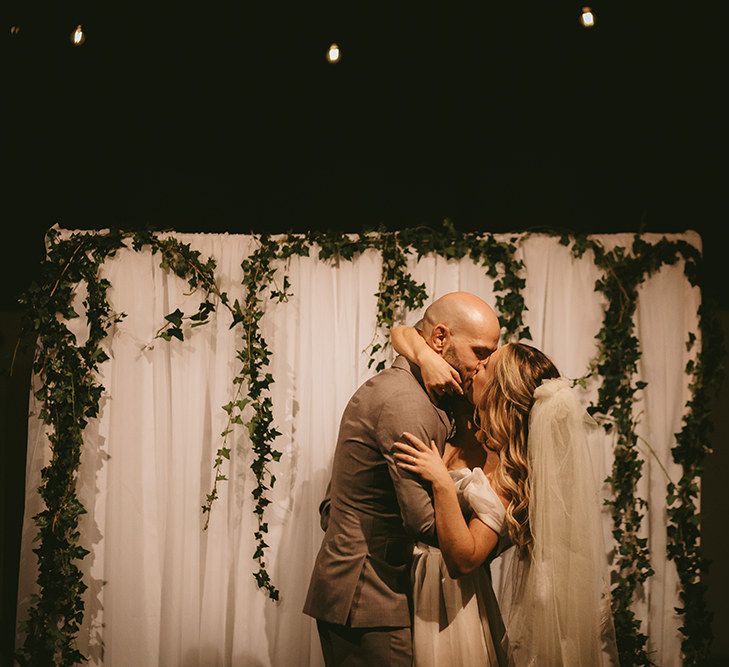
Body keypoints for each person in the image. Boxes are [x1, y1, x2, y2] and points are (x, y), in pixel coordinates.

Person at [392, 337, 618, 666]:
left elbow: (464, 561)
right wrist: (426, 356)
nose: (475, 367)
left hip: (450, 604)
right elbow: (402, 332)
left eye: (486, 367)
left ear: (500, 393)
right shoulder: (471, 426)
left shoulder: (510, 477)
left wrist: (441, 482)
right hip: (409, 584)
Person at [303, 292, 500, 666]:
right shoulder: (409, 403)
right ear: (440, 339)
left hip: (367, 590)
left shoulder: (415, 391)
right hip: (370, 598)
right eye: (479, 351)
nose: (485, 365)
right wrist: (491, 523)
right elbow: (423, 520)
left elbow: (331, 506)